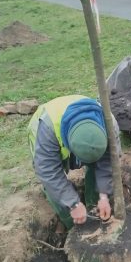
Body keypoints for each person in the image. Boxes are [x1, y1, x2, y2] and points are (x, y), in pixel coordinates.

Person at [28, 95, 120, 229]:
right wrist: (73, 204)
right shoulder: (47, 130)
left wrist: (104, 196)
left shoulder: (110, 124)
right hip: (45, 134)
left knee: (98, 168)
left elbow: (109, 161)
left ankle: (93, 206)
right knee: (54, 187)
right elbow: (48, 172)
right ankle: (73, 226)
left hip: (84, 137)